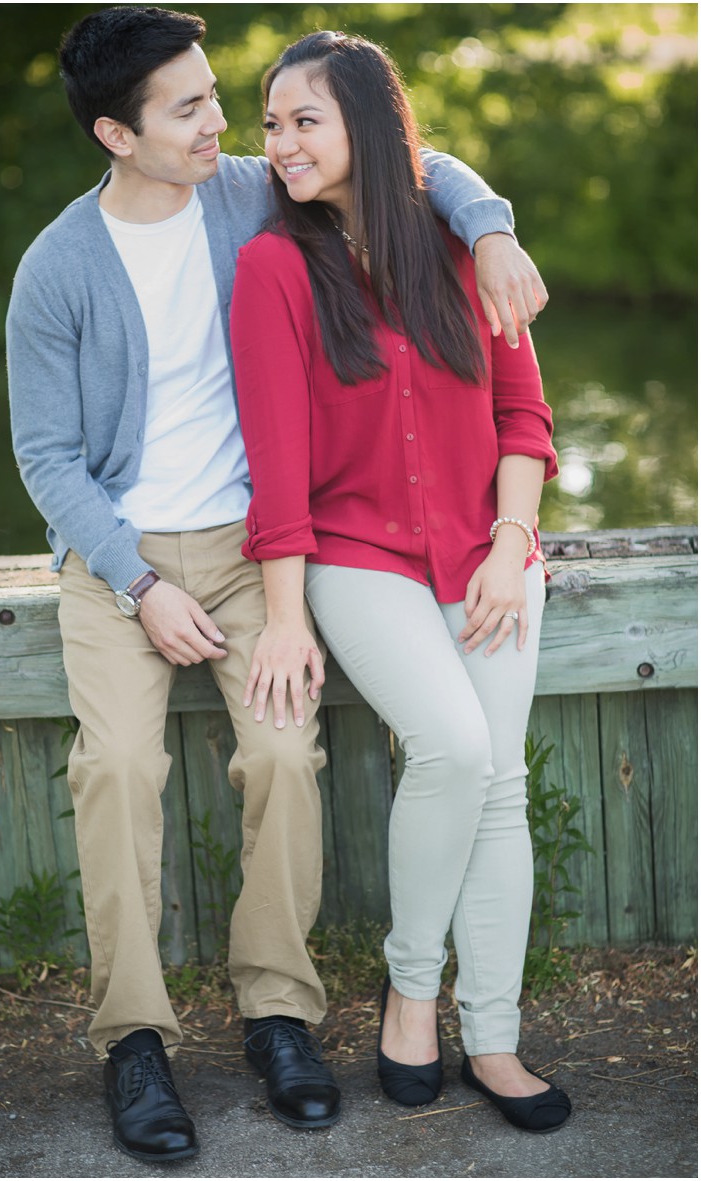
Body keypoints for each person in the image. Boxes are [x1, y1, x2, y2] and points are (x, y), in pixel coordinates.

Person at [6, 6, 549, 1160]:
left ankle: (277, 1013)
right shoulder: (56, 267)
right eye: (191, 108)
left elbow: (412, 164)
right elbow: (46, 459)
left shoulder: (250, 190)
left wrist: (492, 228)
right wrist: (136, 582)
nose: (223, 125)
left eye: (220, 100)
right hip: (121, 562)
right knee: (113, 767)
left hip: (258, 547)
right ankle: (134, 1039)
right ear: (116, 132)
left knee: (280, 754)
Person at [233, 30, 568, 1133]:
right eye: (270, 122)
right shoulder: (274, 267)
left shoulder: (460, 243)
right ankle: (411, 989)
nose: (278, 142)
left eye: (302, 120)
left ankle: (497, 1035)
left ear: (367, 125)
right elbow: (278, 467)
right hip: (353, 556)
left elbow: (523, 414)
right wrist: (284, 616)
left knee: (501, 783)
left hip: (487, 554)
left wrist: (513, 545)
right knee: (455, 745)